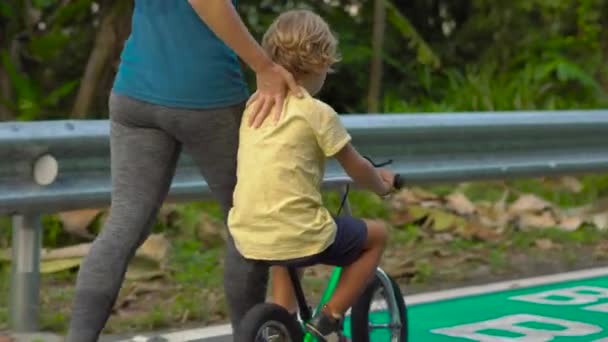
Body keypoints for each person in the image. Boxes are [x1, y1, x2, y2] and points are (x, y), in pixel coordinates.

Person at [66, 1, 302, 340]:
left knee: (123, 225)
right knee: (247, 220)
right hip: (206, 94)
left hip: (135, 91)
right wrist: (263, 66)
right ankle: (248, 335)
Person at [227, 9, 395, 340]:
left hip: (247, 228)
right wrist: (381, 184)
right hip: (296, 229)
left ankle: (281, 326)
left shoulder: (255, 105)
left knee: (283, 252)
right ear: (320, 64)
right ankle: (330, 318)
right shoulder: (316, 112)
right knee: (376, 235)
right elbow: (356, 167)